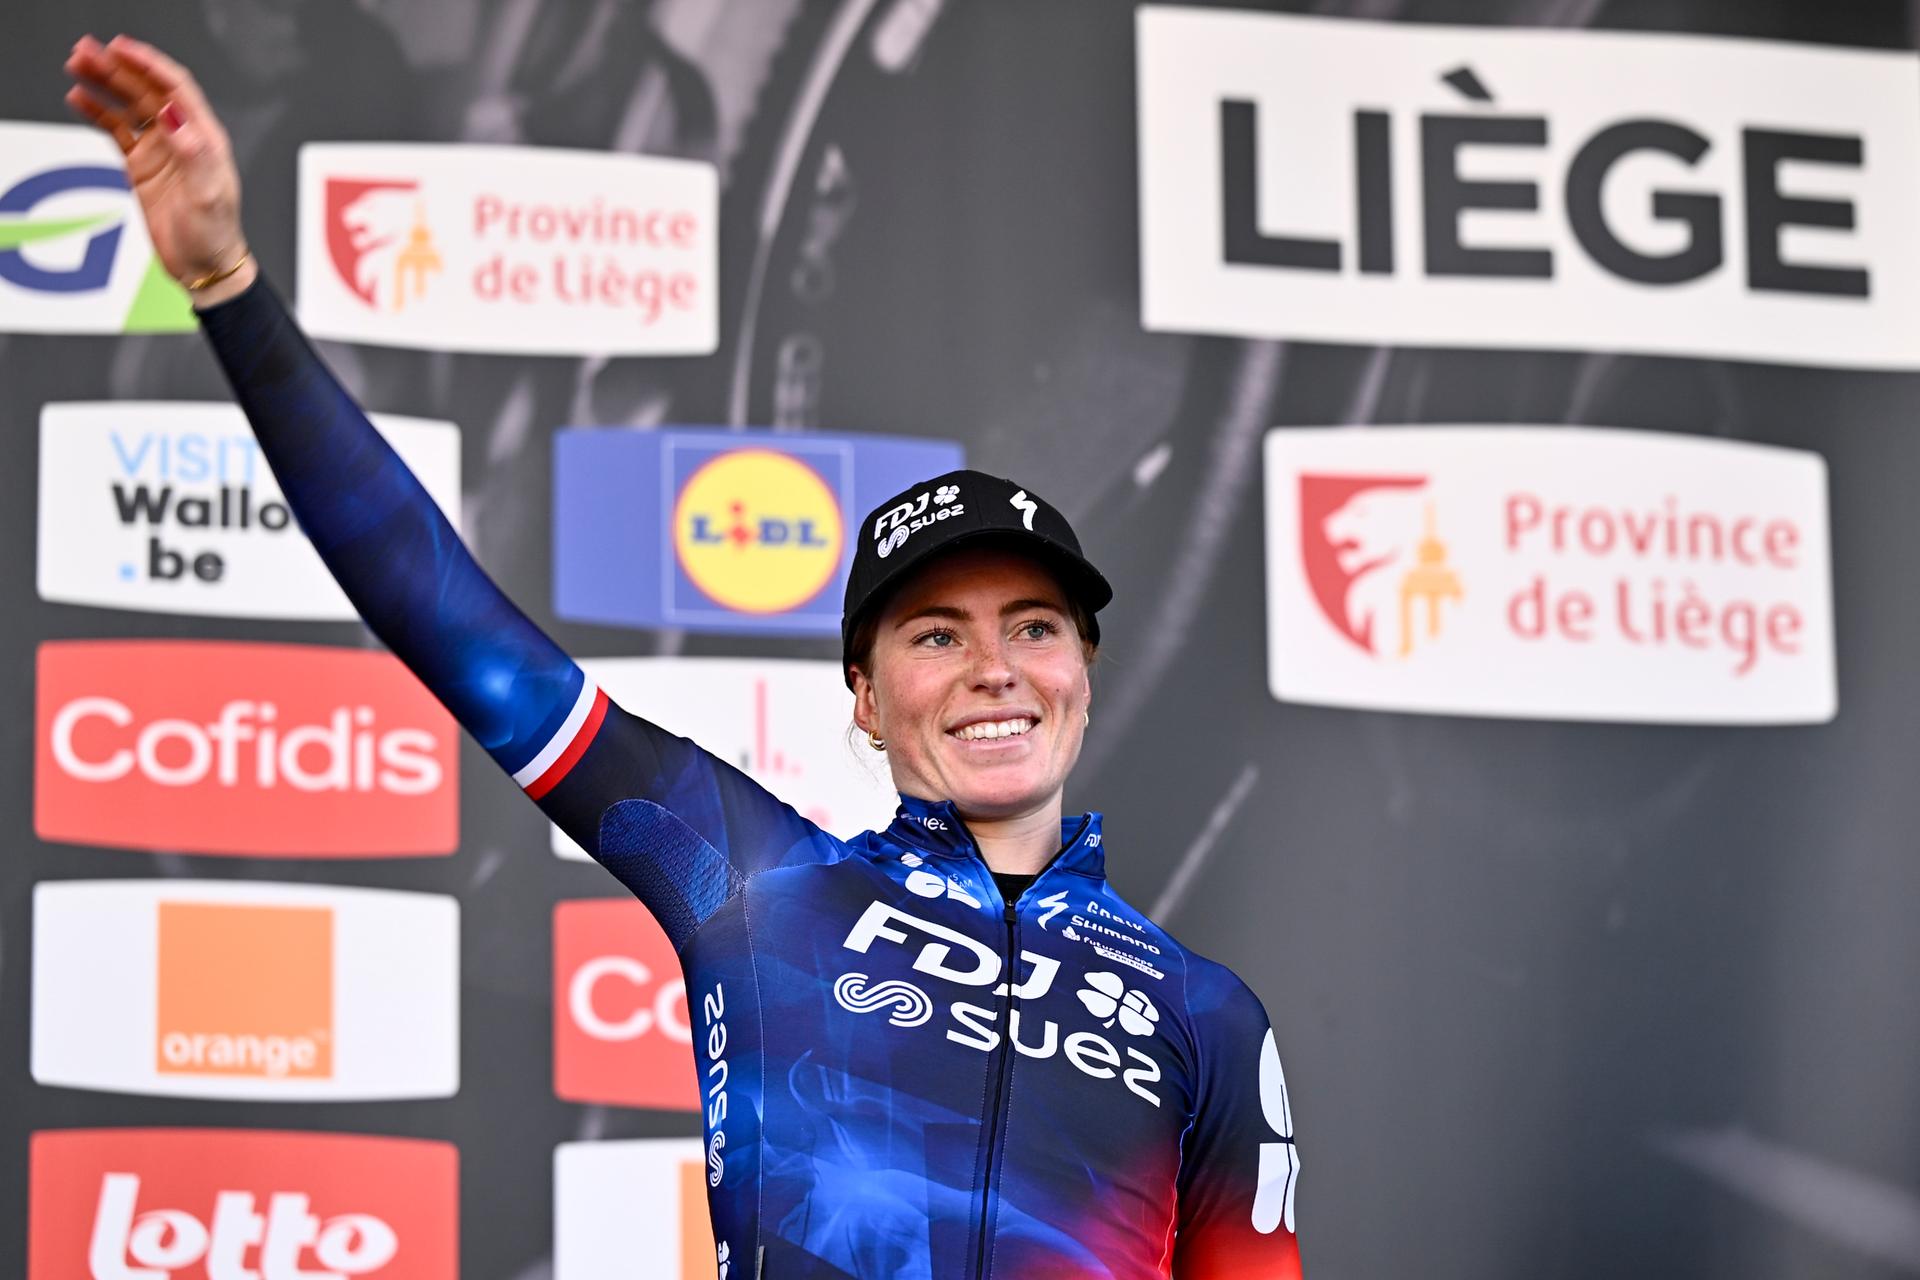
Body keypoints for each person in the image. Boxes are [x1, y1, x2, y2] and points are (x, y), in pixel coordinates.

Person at [65, 33, 1304, 1278]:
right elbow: (445, 617)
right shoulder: (759, 882)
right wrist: (226, 281)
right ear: (865, 699)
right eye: (937, 632)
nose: (995, 665)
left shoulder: (1205, 1014)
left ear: (1084, 673)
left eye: (1033, 626)